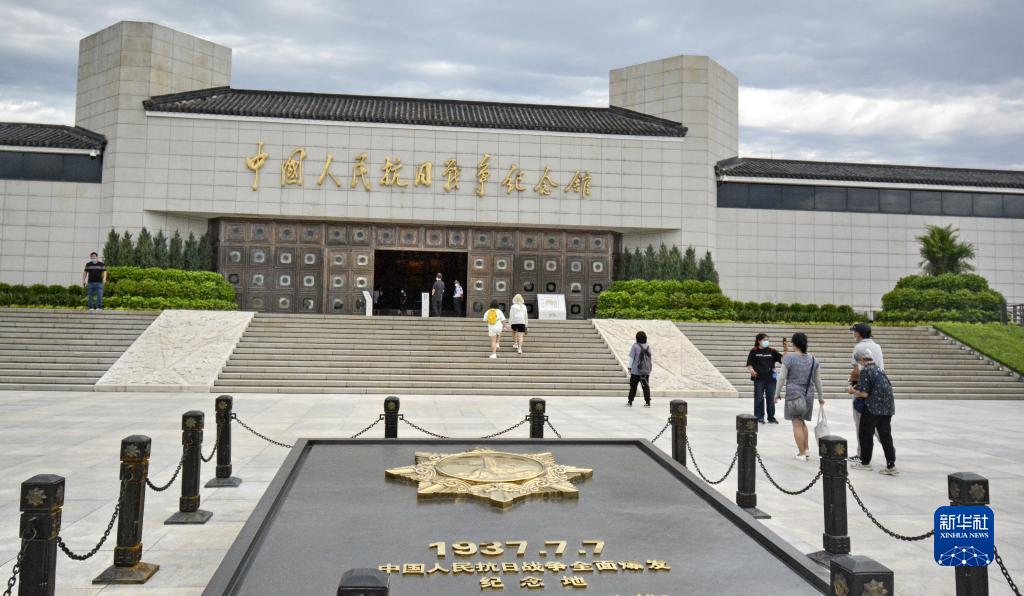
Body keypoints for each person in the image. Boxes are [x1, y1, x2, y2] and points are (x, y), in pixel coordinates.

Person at [847, 347, 898, 475]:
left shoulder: (866, 370)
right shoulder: (879, 369)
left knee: (865, 434)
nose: (859, 364)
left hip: (872, 407)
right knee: (885, 436)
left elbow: (864, 393)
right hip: (887, 407)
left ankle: (865, 463)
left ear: (862, 360)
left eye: (858, 361)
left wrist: (853, 391)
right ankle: (891, 465)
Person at [774, 332, 824, 461]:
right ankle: (806, 449)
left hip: (794, 395)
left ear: (794, 343)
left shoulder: (789, 358)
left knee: (796, 422)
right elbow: (817, 380)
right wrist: (821, 397)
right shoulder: (813, 359)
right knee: (802, 422)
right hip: (809, 394)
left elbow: (782, 378)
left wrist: (776, 394)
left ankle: (801, 453)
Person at [849, 322, 884, 462]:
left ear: (858, 334)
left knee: (860, 423)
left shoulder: (859, 347)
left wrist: (851, 382)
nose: (853, 334)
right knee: (876, 423)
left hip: (862, 390)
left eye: (854, 332)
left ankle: (861, 454)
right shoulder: (877, 347)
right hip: (877, 388)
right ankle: (888, 449)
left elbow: (856, 370)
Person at [746, 333, 782, 424]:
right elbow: (749, 364)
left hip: (771, 379)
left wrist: (785, 351)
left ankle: (771, 417)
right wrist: (752, 371)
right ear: (759, 341)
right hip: (759, 379)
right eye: (764, 340)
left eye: (767, 340)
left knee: (771, 399)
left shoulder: (772, 351)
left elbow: (782, 359)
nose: (766, 341)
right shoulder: (754, 351)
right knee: (759, 398)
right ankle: (759, 417)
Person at [626, 331, 653, 407]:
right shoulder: (648, 346)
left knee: (633, 387)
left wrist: (629, 367)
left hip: (635, 371)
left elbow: (631, 358)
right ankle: (647, 402)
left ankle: (630, 401)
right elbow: (649, 358)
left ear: (637, 338)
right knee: (645, 387)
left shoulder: (635, 346)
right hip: (645, 371)